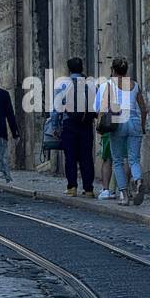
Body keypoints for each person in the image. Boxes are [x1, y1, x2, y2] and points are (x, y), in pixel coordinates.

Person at [95, 57, 149, 207]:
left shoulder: (109, 84)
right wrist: (143, 127)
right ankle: (138, 180)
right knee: (134, 159)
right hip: (134, 121)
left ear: (113, 70)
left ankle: (124, 195)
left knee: (117, 160)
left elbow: (103, 107)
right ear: (126, 70)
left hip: (118, 123)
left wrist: (100, 125)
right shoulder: (135, 85)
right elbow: (144, 109)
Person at [54, 58, 97, 197]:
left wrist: (55, 125)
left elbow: (56, 108)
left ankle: (72, 187)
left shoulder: (63, 84)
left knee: (70, 156)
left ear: (69, 69)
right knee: (86, 156)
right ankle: (89, 188)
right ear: (81, 68)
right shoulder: (90, 84)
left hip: (69, 123)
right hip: (86, 123)